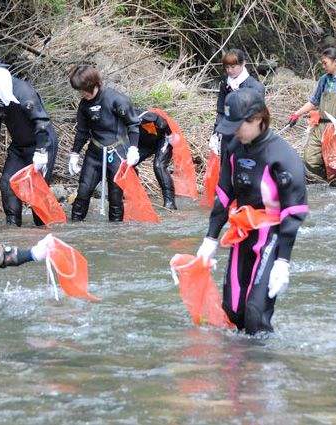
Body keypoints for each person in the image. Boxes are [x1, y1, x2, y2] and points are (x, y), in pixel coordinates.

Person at [195, 89, 308, 334]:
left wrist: (283, 262)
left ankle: (263, 368)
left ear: (258, 119)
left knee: (256, 315)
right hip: (242, 234)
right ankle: (235, 369)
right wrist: (210, 239)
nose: (235, 131)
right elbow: (224, 194)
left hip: (272, 237)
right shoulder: (234, 146)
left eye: (239, 125)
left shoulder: (283, 157)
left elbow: (294, 212)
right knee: (233, 312)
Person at [0, 52, 59, 227]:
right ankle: (13, 227)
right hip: (19, 147)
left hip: (42, 144)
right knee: (7, 183)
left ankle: (46, 229)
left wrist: (41, 152)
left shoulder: (22, 91)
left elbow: (41, 122)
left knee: (37, 192)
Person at [67, 65, 141, 222]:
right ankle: (73, 229)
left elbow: (133, 125)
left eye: (83, 89)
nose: (81, 94)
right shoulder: (84, 105)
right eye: (79, 90)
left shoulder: (117, 99)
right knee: (83, 193)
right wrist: (74, 154)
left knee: (115, 198)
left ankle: (115, 236)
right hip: (94, 153)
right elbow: (82, 132)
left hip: (117, 153)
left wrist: (133, 148)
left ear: (93, 84)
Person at [288, 47, 336, 182]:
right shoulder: (323, 80)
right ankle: (329, 180)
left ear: (335, 62)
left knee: (334, 164)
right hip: (320, 126)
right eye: (322, 63)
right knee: (309, 159)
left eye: (325, 63)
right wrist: (296, 114)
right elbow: (313, 102)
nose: (323, 66)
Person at [209, 48, 265, 155]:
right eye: (227, 67)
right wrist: (216, 133)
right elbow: (221, 111)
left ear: (243, 64)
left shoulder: (255, 88)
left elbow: (256, 117)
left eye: (233, 67)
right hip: (228, 132)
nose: (229, 70)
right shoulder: (225, 84)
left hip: (247, 134)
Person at [135, 108, 177, 209]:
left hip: (163, 139)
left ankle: (170, 202)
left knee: (159, 166)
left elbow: (162, 123)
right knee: (126, 165)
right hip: (144, 143)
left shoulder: (142, 116)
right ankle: (134, 196)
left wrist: (170, 136)